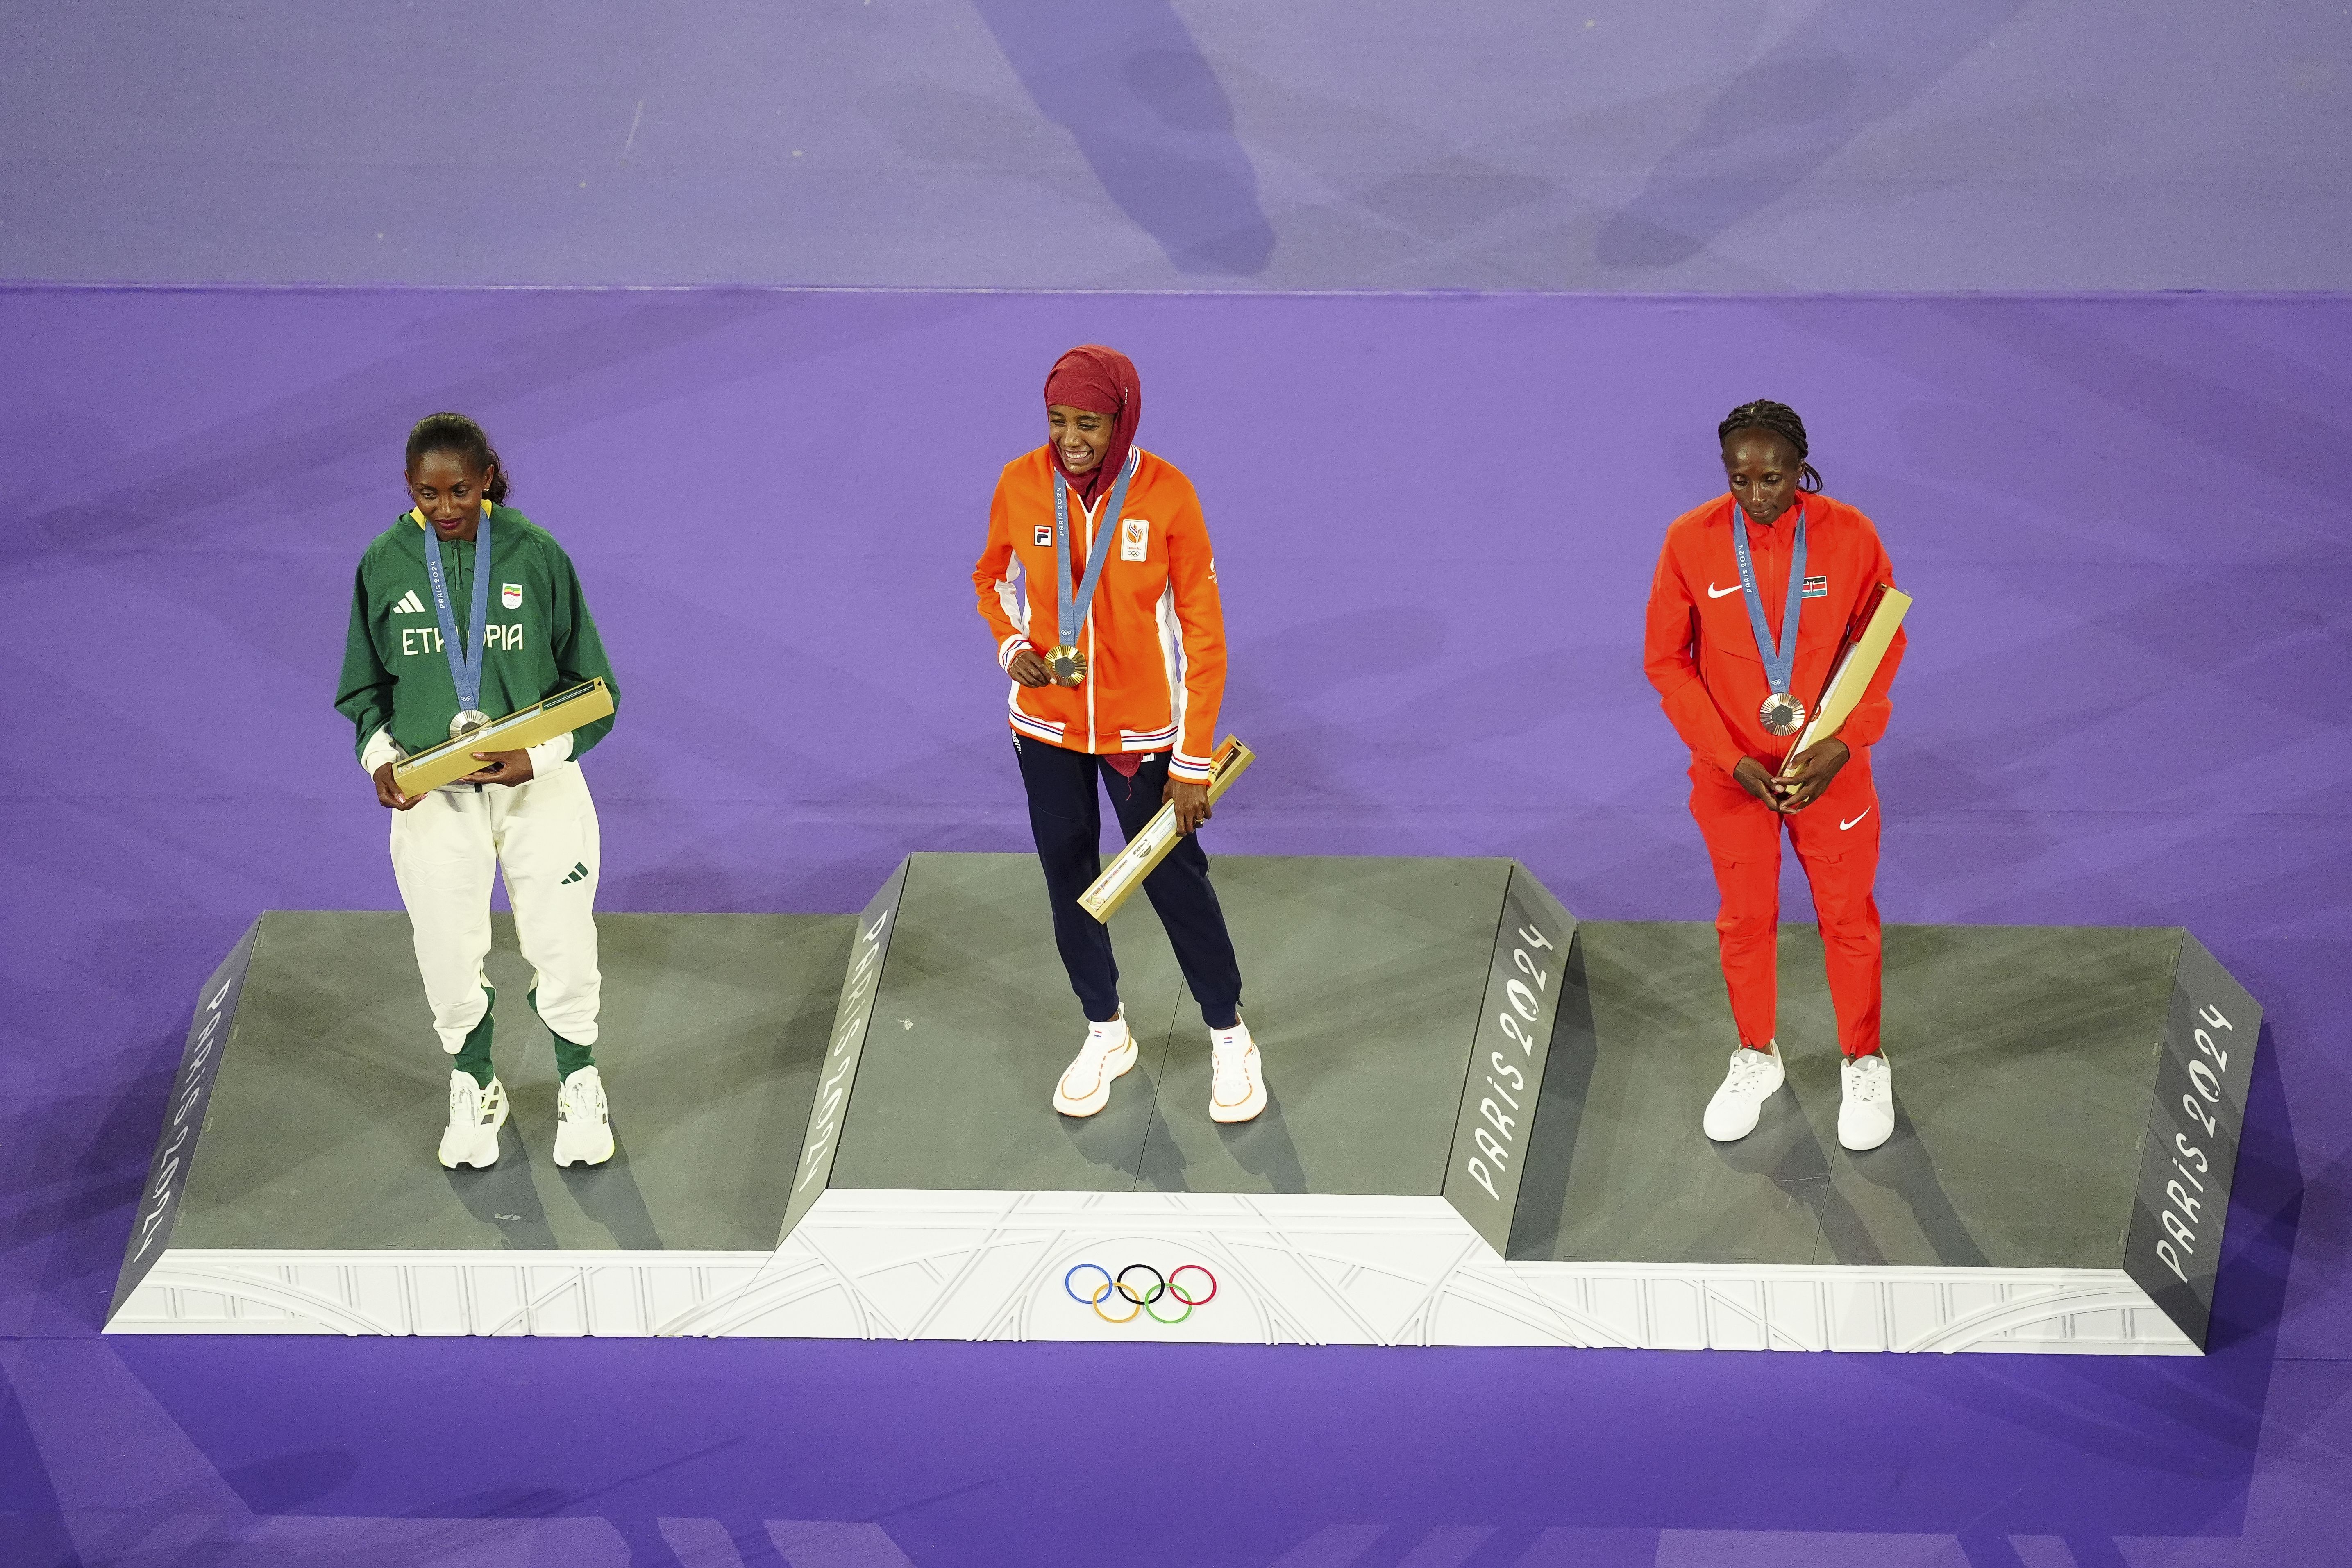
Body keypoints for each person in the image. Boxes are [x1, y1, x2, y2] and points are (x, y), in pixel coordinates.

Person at [971, 345, 1262, 1123]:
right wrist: (1014, 647)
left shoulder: (1168, 496)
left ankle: (1229, 1033)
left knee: (1174, 882)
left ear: (1122, 418)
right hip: (1046, 729)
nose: (1072, 440)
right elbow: (990, 580)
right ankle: (1106, 1030)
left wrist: (1193, 760)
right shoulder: (1019, 484)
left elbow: (1205, 636)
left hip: (1145, 736)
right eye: (1059, 421)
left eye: (1090, 424)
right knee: (1070, 881)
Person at [334, 413, 623, 1170]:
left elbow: (595, 689)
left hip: (538, 787)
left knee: (563, 940)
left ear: (487, 475)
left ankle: (579, 1081)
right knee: (445, 948)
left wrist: (541, 754)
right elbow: (363, 689)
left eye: (459, 489)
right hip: (435, 796)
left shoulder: (537, 554)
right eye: (428, 495)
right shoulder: (384, 564)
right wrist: (379, 762)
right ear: (409, 490)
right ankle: (473, 1084)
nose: (445, 507)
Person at [1643, 400, 1907, 1152]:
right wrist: (1730, 758)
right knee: (1744, 921)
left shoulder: (1851, 535)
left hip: (1828, 770)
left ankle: (1863, 1058)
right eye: (1741, 480)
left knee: (1848, 920)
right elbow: (1666, 660)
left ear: (1802, 467)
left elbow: (1882, 641)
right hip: (1735, 777)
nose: (1757, 495)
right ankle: (1757, 1054)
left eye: (1774, 478)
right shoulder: (1689, 542)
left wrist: (1848, 742)